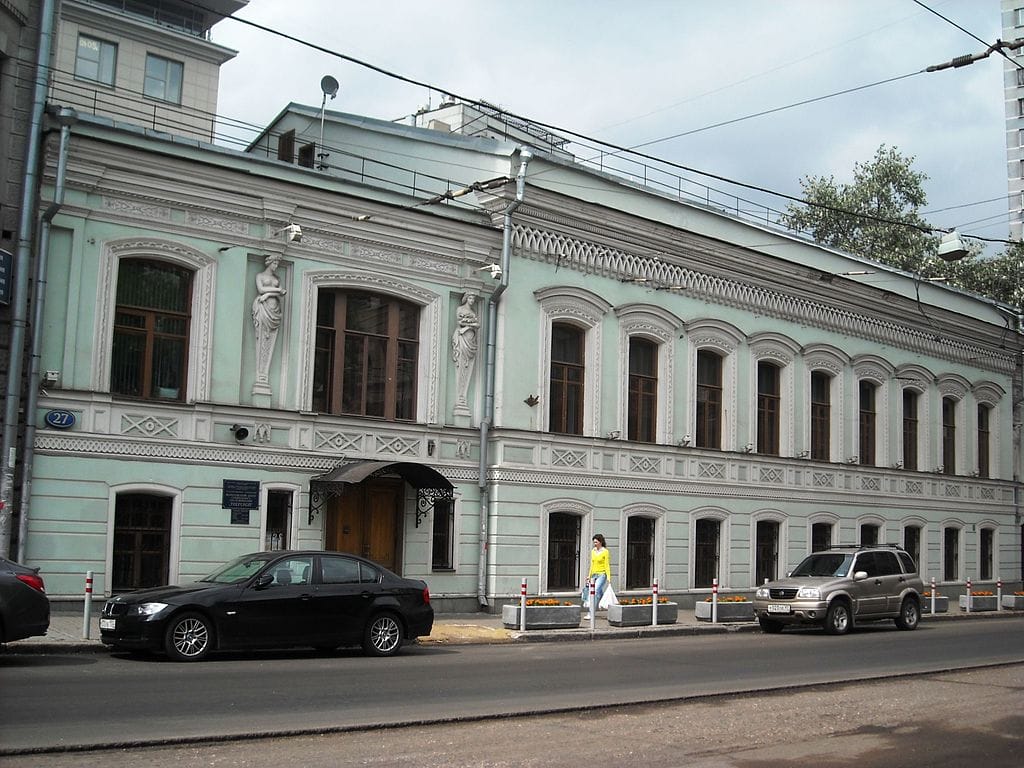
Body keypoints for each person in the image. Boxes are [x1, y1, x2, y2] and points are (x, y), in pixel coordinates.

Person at [582, 533, 611, 617]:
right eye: (594, 542)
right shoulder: (593, 551)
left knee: (594, 592)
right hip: (594, 574)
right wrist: (589, 575)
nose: (595, 544)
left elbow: (607, 565)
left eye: (596, 542)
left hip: (602, 574)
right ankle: (601, 602)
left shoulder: (605, 552)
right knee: (598, 594)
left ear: (600, 542)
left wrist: (608, 577)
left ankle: (590, 613)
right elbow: (592, 564)